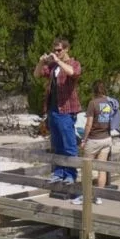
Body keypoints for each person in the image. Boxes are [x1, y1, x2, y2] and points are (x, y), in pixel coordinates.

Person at [33, 37, 83, 185]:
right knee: (57, 144)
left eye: (59, 50)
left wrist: (58, 61)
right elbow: (37, 74)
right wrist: (41, 62)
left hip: (66, 110)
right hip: (53, 109)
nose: (56, 53)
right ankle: (58, 172)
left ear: (66, 49)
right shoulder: (53, 67)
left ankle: (70, 174)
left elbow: (73, 73)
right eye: (54, 50)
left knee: (69, 144)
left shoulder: (73, 63)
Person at [80, 80, 120, 189]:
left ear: (94, 90)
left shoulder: (93, 103)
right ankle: (100, 194)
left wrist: (84, 140)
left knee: (86, 168)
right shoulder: (110, 102)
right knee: (101, 169)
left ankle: (86, 194)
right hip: (106, 138)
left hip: (94, 139)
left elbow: (88, 124)